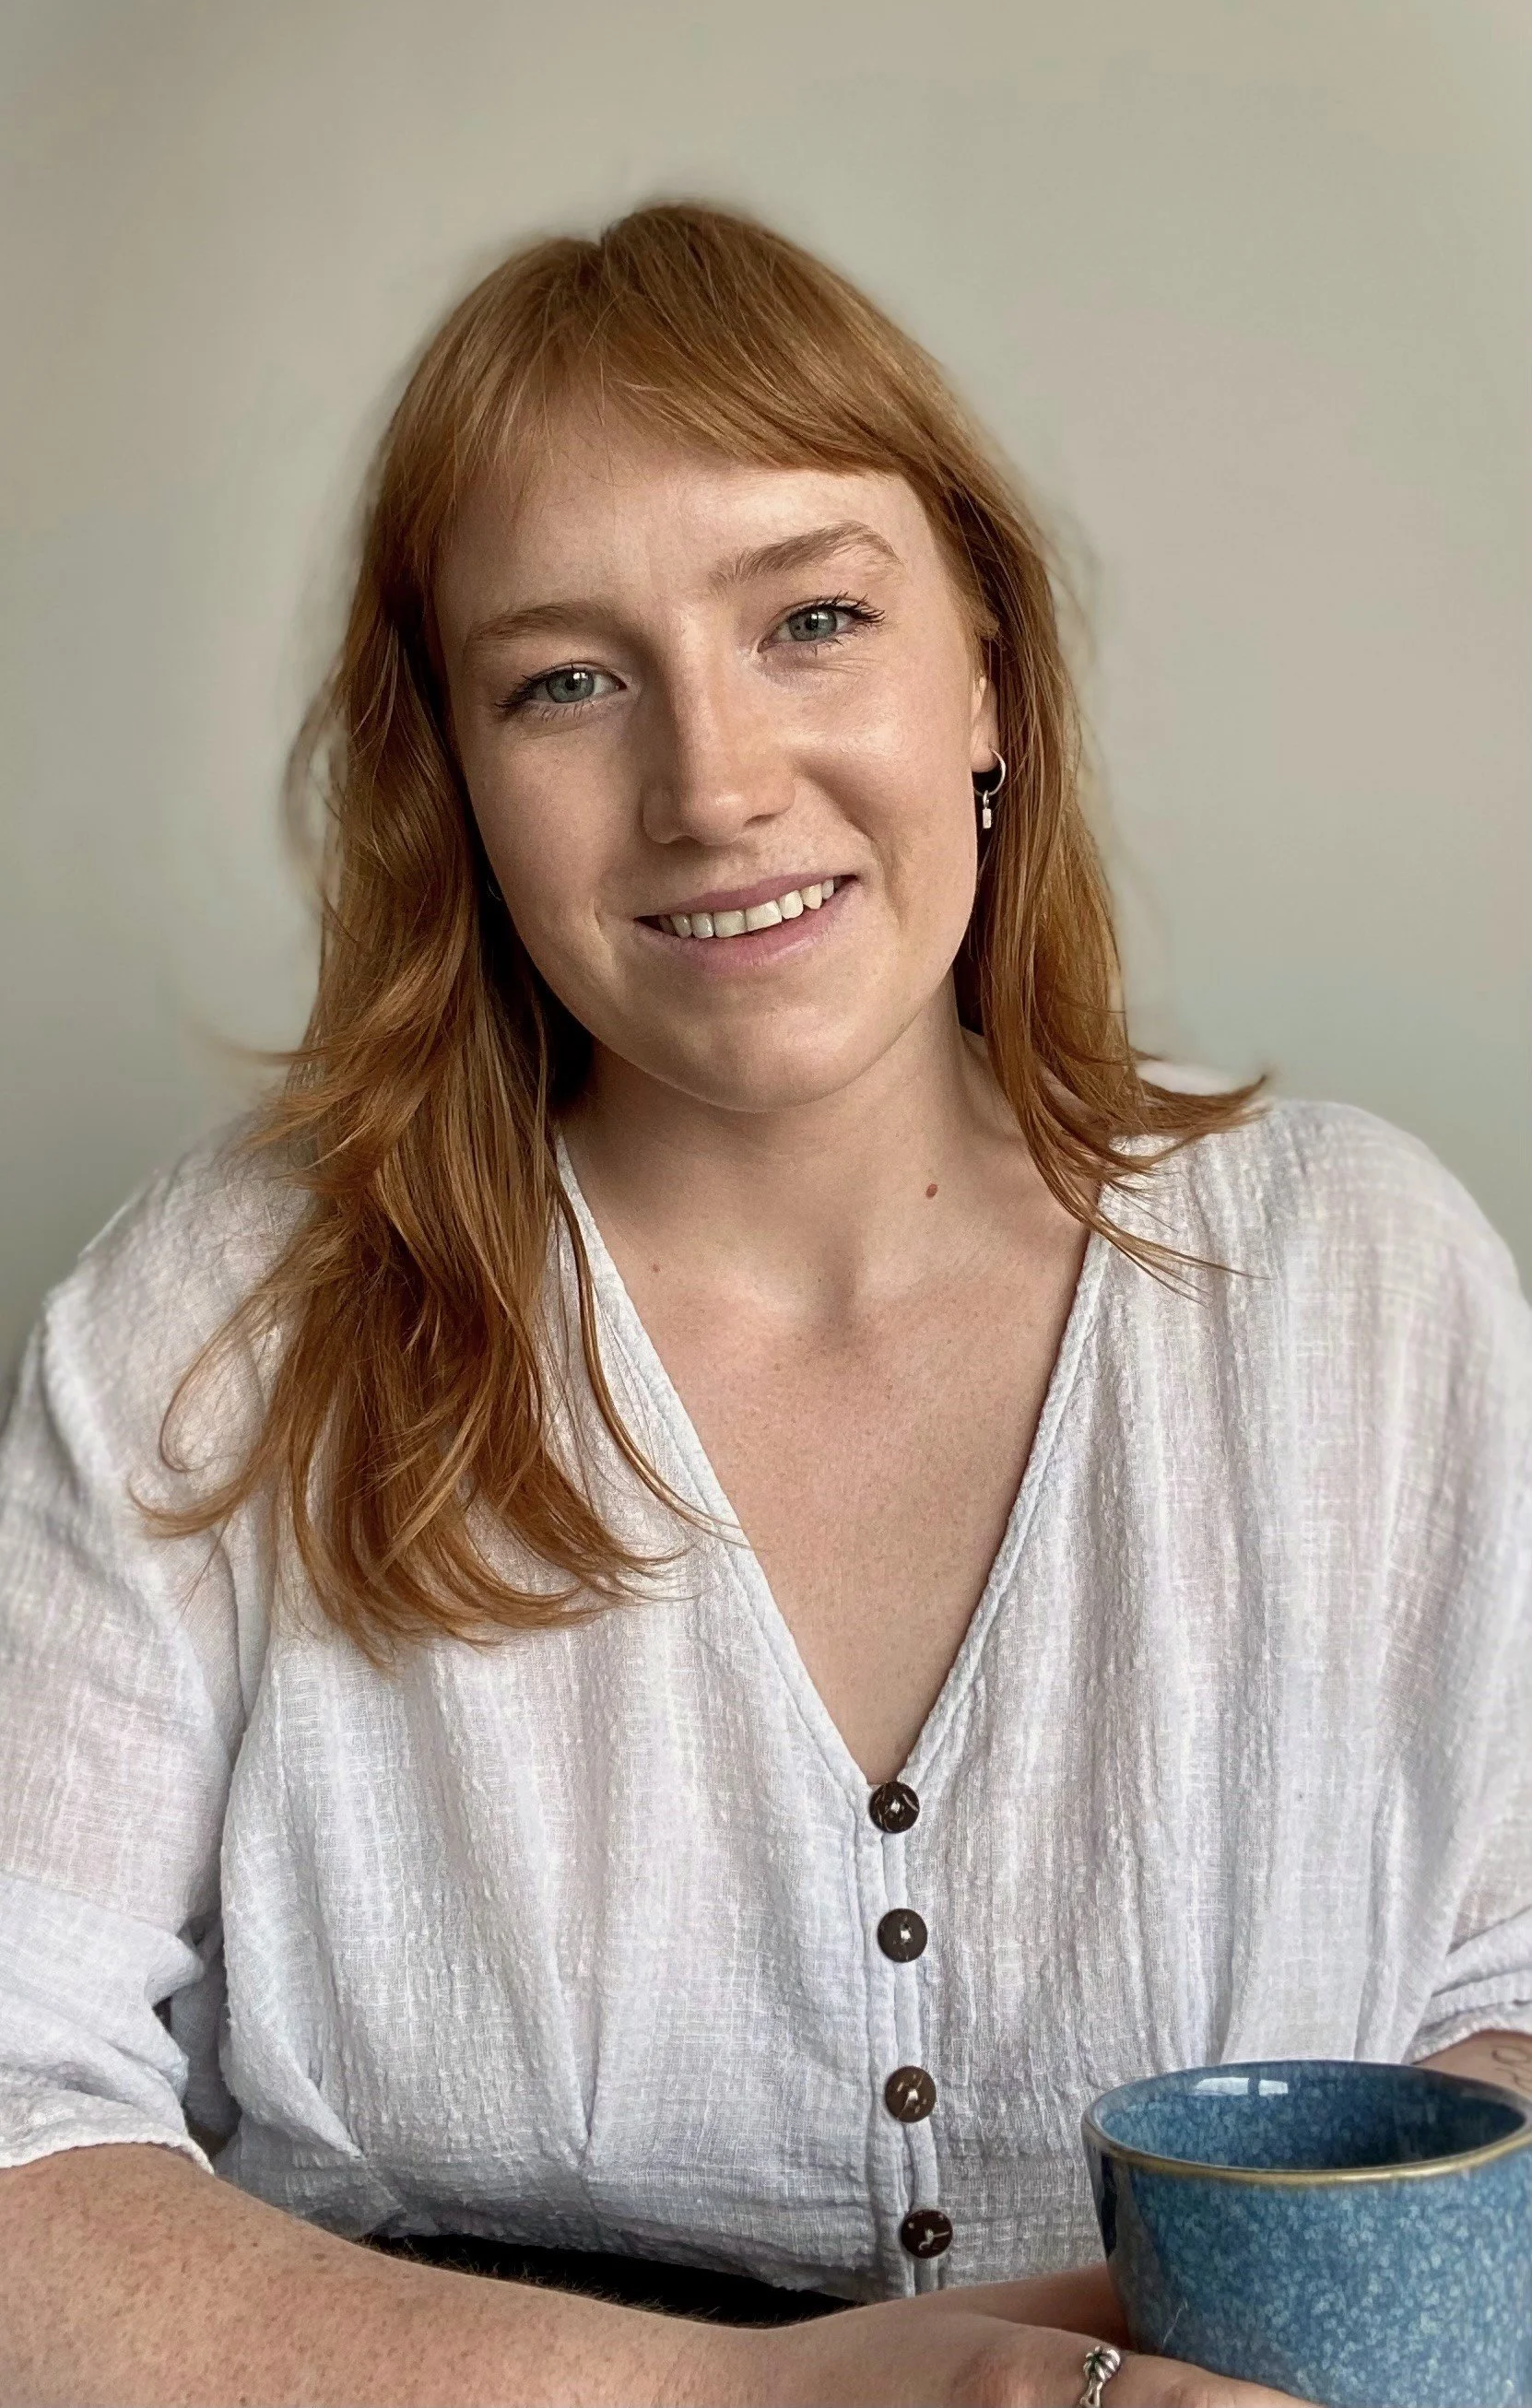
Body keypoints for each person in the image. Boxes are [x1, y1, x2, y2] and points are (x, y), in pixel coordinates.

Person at [0, 204, 1527, 2408]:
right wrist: (759, 2399)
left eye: (812, 618)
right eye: (565, 680)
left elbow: (1507, 1991)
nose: (710, 786)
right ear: (451, 772)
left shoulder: (1367, 1285)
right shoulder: (225, 1316)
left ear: (987, 676)